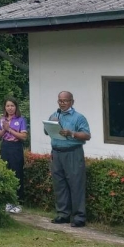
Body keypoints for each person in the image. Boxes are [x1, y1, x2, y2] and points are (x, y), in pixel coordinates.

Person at [46, 91, 91, 227]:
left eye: (65, 101)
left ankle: (79, 217)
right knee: (59, 184)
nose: (62, 103)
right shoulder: (55, 115)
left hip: (72, 153)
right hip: (57, 153)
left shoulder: (79, 117)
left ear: (72, 101)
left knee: (76, 184)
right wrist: (50, 125)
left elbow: (87, 135)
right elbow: (47, 131)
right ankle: (63, 214)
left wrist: (71, 133)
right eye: (60, 100)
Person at [0, 97, 27, 214]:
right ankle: (7, 202)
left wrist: (10, 129)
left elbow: (23, 136)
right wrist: (4, 129)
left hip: (16, 147)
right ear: (5, 107)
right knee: (5, 172)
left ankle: (17, 202)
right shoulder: (2, 119)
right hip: (5, 147)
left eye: (12, 106)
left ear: (16, 107)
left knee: (17, 173)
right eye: (8, 106)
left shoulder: (21, 119)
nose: (10, 108)